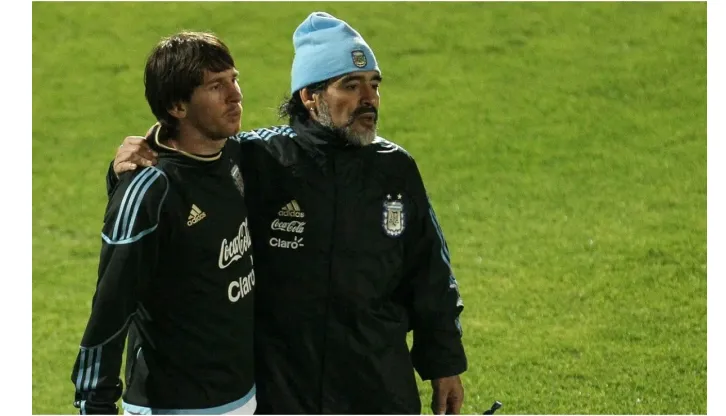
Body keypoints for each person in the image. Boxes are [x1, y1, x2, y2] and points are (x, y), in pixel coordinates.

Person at [111, 12, 466, 414]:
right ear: (309, 97)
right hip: (284, 389)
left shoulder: (396, 168)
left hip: (377, 385)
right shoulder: (258, 159)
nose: (369, 99)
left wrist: (445, 365)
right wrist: (135, 159)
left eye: (374, 84)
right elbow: (187, 160)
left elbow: (431, 274)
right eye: (350, 85)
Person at [71, 31, 258, 415]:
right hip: (173, 404)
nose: (235, 94)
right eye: (216, 86)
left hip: (242, 395)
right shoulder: (151, 191)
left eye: (234, 80)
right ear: (177, 105)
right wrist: (96, 404)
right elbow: (109, 310)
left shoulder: (236, 155)